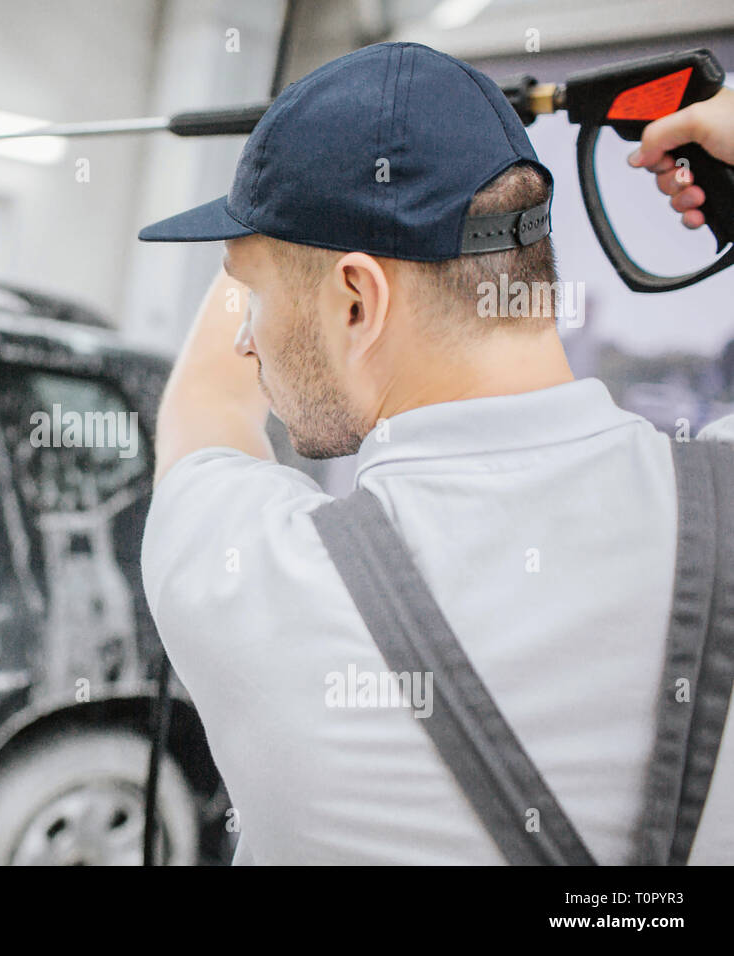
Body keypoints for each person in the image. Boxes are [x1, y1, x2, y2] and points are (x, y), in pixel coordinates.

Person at [137, 41, 734, 865]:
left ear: (357, 302)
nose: (245, 338)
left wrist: (280, 167)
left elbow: (205, 405)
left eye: (254, 292)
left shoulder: (257, 578)